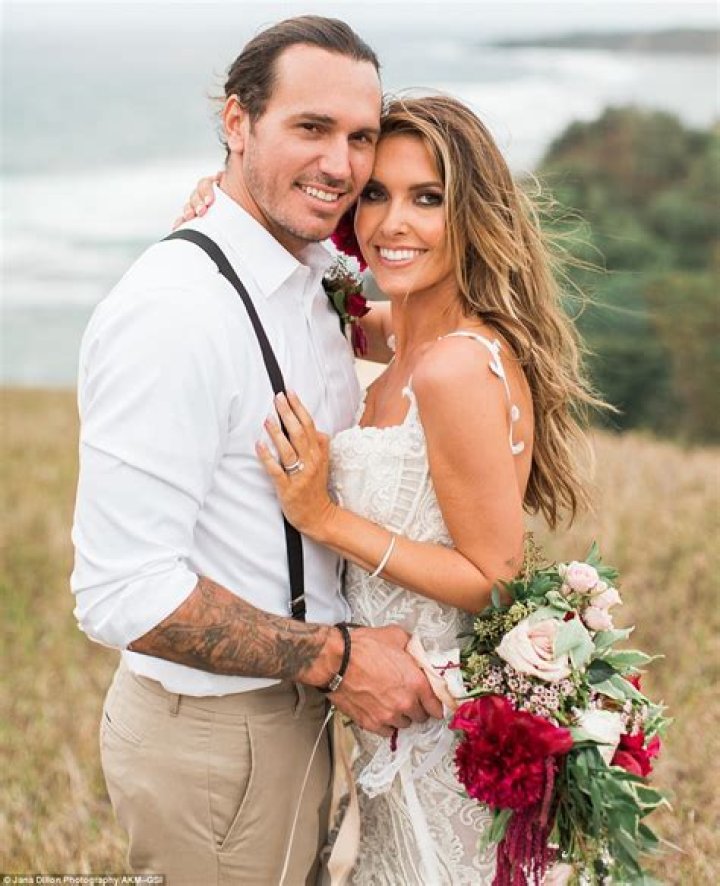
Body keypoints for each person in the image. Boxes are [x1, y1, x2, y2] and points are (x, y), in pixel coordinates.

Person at [187, 94, 602, 884]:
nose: (392, 223)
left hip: (438, 728)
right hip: (392, 728)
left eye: (427, 198)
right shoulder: (404, 334)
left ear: (471, 212)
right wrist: (230, 212)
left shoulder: (453, 368)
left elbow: (494, 578)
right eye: (375, 193)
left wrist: (323, 517)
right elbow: (308, 306)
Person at [70, 16, 443, 886]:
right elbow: (122, 592)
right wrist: (338, 659)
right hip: (216, 741)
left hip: (294, 721)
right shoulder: (174, 314)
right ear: (237, 122)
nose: (341, 165)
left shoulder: (312, 276)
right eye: (310, 128)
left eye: (360, 137)